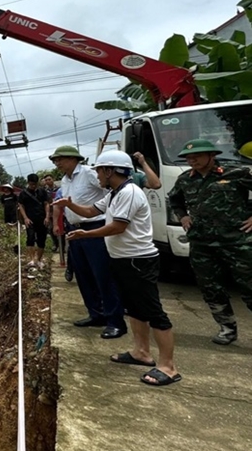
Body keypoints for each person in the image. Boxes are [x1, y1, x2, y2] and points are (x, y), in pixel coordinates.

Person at [55, 150, 180, 386]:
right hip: (122, 258)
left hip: (138, 260)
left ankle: (168, 366)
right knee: (134, 309)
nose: (98, 175)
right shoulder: (114, 194)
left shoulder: (130, 193)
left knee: (153, 311)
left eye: (100, 170)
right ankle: (141, 352)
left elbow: (117, 227)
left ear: (111, 171)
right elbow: (92, 211)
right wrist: (70, 205)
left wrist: (85, 233)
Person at [167, 138, 252, 345]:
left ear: (212, 156)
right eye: (188, 157)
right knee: (211, 288)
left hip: (236, 241)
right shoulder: (185, 179)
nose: (191, 160)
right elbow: (174, 199)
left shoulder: (236, 173)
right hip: (202, 244)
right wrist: (183, 216)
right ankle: (227, 328)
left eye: (196, 156)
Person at [50, 145, 126, 339]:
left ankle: (115, 320)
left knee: (103, 275)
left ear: (74, 159)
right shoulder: (65, 181)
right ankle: (96, 314)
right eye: (55, 160)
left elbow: (110, 190)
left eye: (60, 159)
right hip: (75, 229)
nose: (57, 163)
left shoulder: (89, 174)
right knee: (83, 275)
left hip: (95, 227)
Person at [17, 173, 50, 268]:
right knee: (30, 238)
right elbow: (21, 206)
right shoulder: (23, 193)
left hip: (42, 219)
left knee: (41, 240)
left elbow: (46, 204)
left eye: (35, 184)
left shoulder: (42, 192)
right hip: (30, 220)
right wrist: (25, 218)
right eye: (31, 184)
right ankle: (32, 259)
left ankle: (39, 259)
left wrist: (47, 217)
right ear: (28, 183)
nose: (33, 186)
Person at [43, 175, 61, 251]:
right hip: (49, 212)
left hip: (59, 211)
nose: (48, 181)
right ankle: (55, 244)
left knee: (60, 228)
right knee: (50, 229)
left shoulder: (59, 189)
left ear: (53, 179)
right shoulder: (44, 191)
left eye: (49, 179)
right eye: (46, 180)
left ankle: (62, 246)